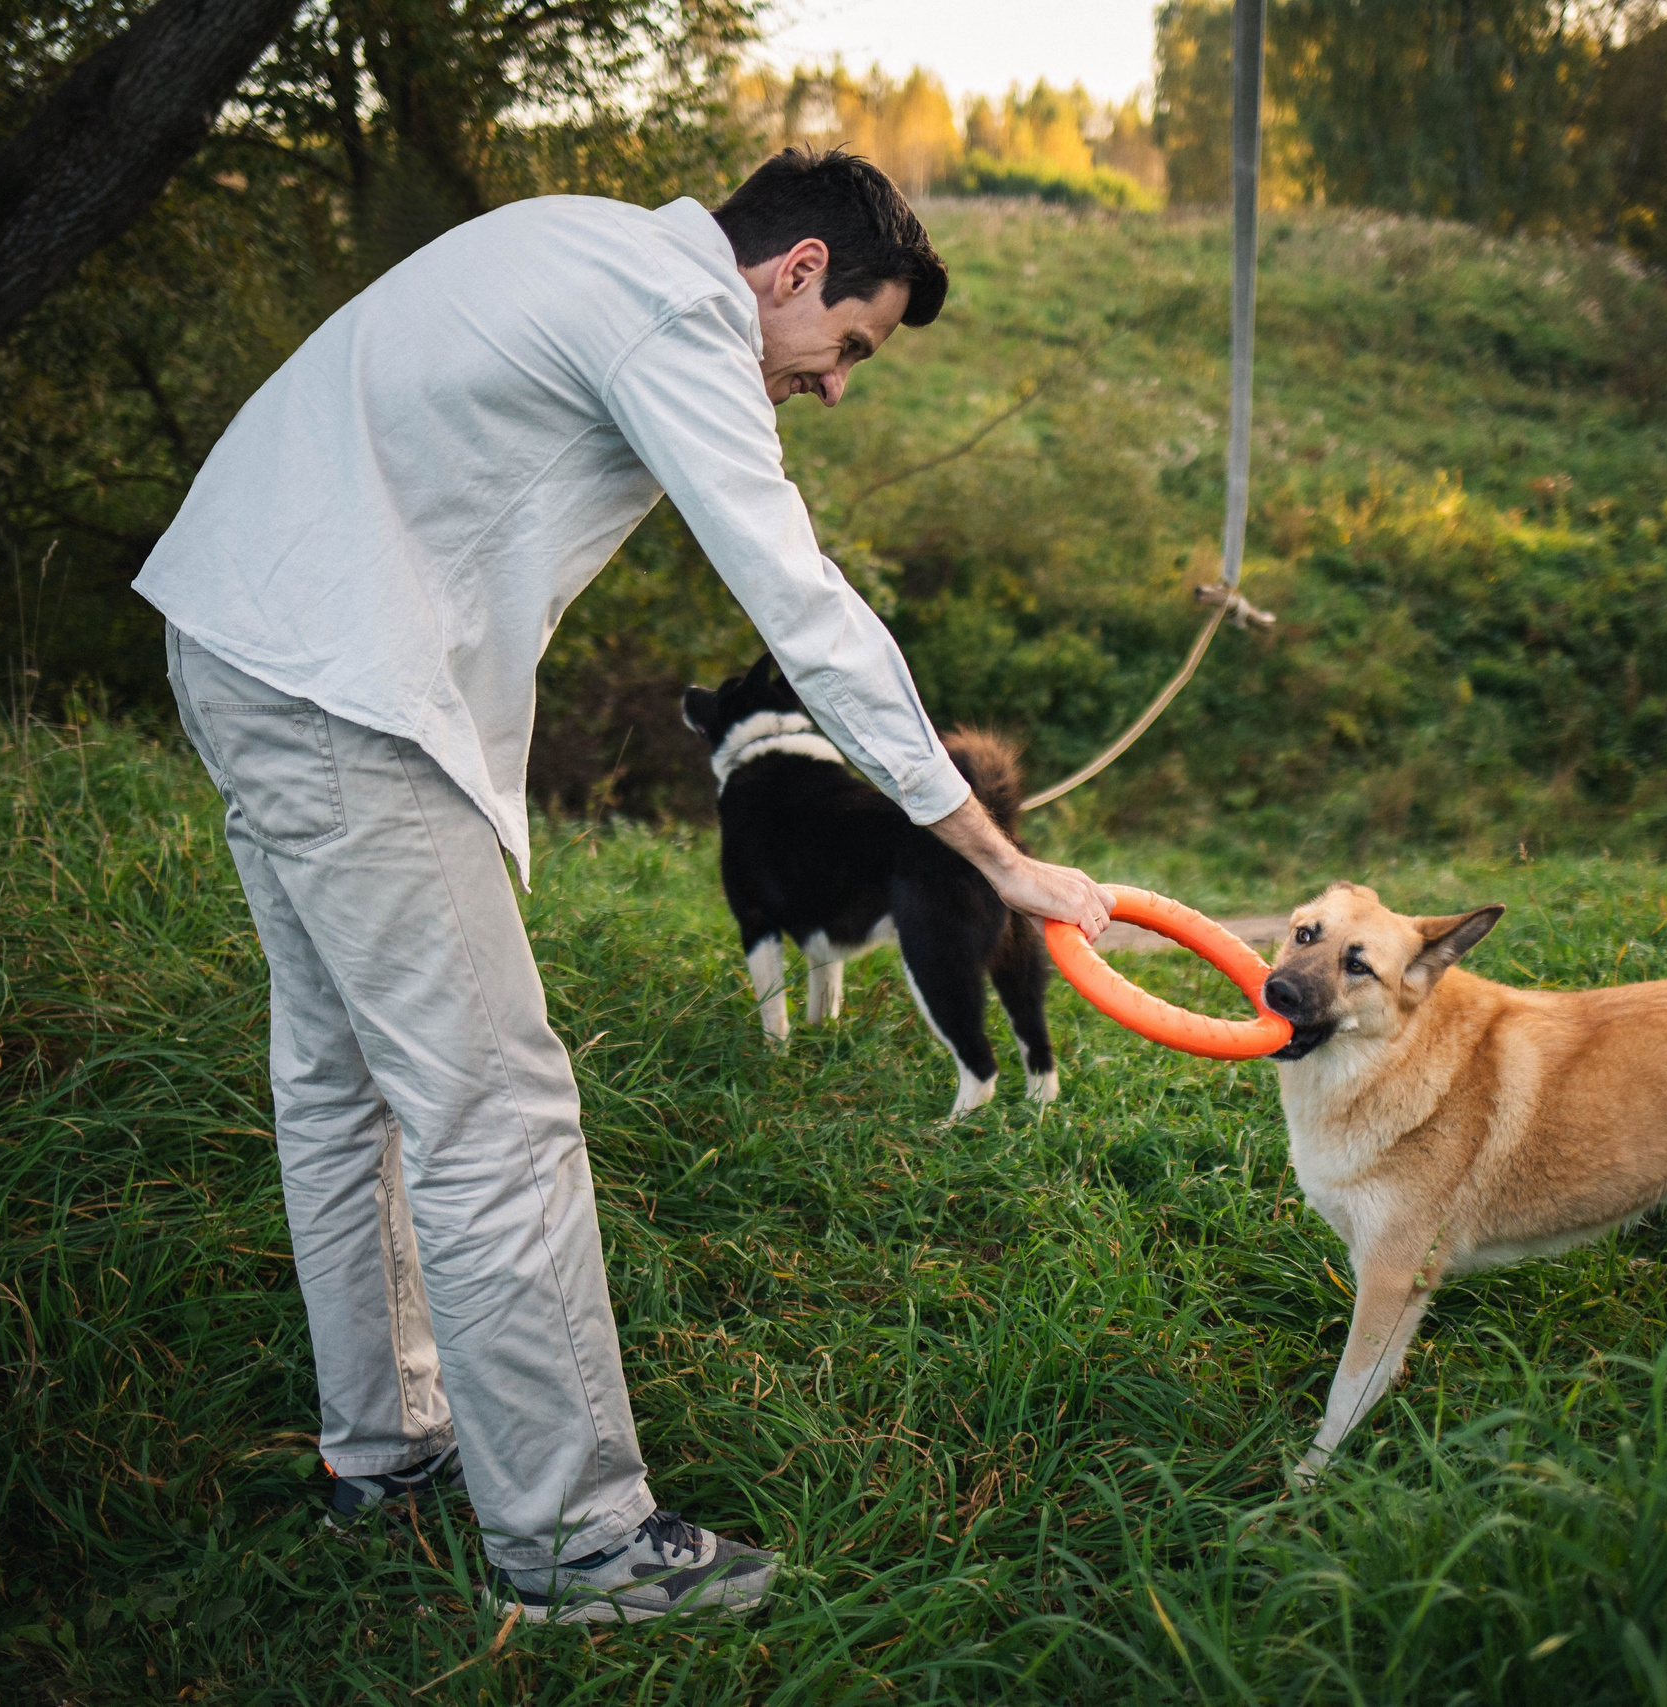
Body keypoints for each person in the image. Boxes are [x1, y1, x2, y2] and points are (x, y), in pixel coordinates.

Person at [133, 148, 1112, 1625]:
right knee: (497, 1111)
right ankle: (577, 1544)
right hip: (339, 686)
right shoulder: (677, 315)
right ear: (793, 272)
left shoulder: (580, 239)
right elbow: (806, 607)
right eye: (849, 344)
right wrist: (994, 851)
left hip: (239, 635)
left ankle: (386, 1456)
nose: (839, 386)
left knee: (342, 1081)